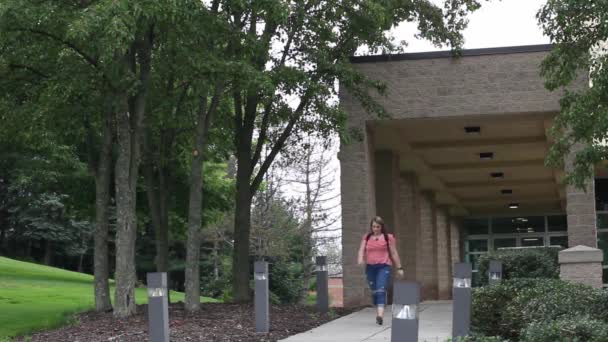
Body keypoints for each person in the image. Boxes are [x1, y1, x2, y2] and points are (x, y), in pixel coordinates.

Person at [357, 216, 404, 325]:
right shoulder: (367, 237)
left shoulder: (388, 237)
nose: (376, 229)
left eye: (378, 227)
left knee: (381, 289)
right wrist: (360, 259)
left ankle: (380, 316)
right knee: (374, 291)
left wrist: (399, 267)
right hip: (370, 267)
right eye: (373, 226)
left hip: (384, 266)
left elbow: (393, 253)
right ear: (371, 227)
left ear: (382, 227)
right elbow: (361, 250)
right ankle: (380, 304)